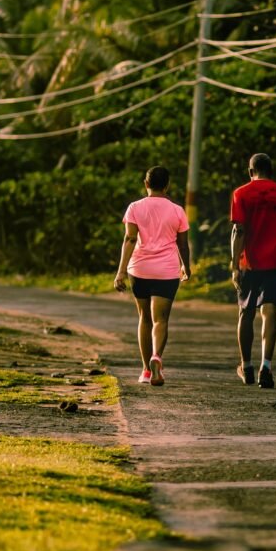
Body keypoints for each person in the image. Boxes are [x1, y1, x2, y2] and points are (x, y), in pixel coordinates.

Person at [114, 165, 190, 386]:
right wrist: (186, 267)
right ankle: (157, 356)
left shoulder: (135, 207)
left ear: (146, 184)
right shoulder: (177, 210)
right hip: (167, 271)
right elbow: (183, 245)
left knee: (144, 318)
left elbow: (130, 239)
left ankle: (146, 370)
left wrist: (120, 271)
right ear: (167, 185)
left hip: (140, 269)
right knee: (161, 320)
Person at [230, 152, 276, 389]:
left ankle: (246, 367)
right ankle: (266, 368)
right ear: (271, 171)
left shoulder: (241, 193)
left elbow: (238, 230)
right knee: (269, 312)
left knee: (245, 313)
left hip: (248, 262)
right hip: (275, 262)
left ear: (251, 172)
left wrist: (234, 264)